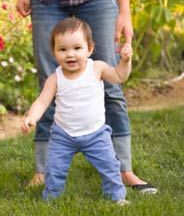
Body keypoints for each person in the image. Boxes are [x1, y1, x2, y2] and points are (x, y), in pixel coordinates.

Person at [16, 0, 157, 193]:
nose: (70, 55)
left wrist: (124, 11)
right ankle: (43, 171)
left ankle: (123, 169)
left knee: (111, 88)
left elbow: (119, 75)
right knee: (49, 83)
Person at [21, 17, 130, 203]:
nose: (70, 54)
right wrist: (31, 117)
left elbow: (120, 76)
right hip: (63, 135)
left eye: (77, 48)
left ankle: (117, 197)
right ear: (54, 52)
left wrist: (125, 61)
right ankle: (51, 199)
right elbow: (41, 102)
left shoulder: (97, 68)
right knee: (54, 169)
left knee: (110, 166)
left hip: (96, 134)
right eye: (62, 49)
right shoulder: (55, 78)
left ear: (90, 48)